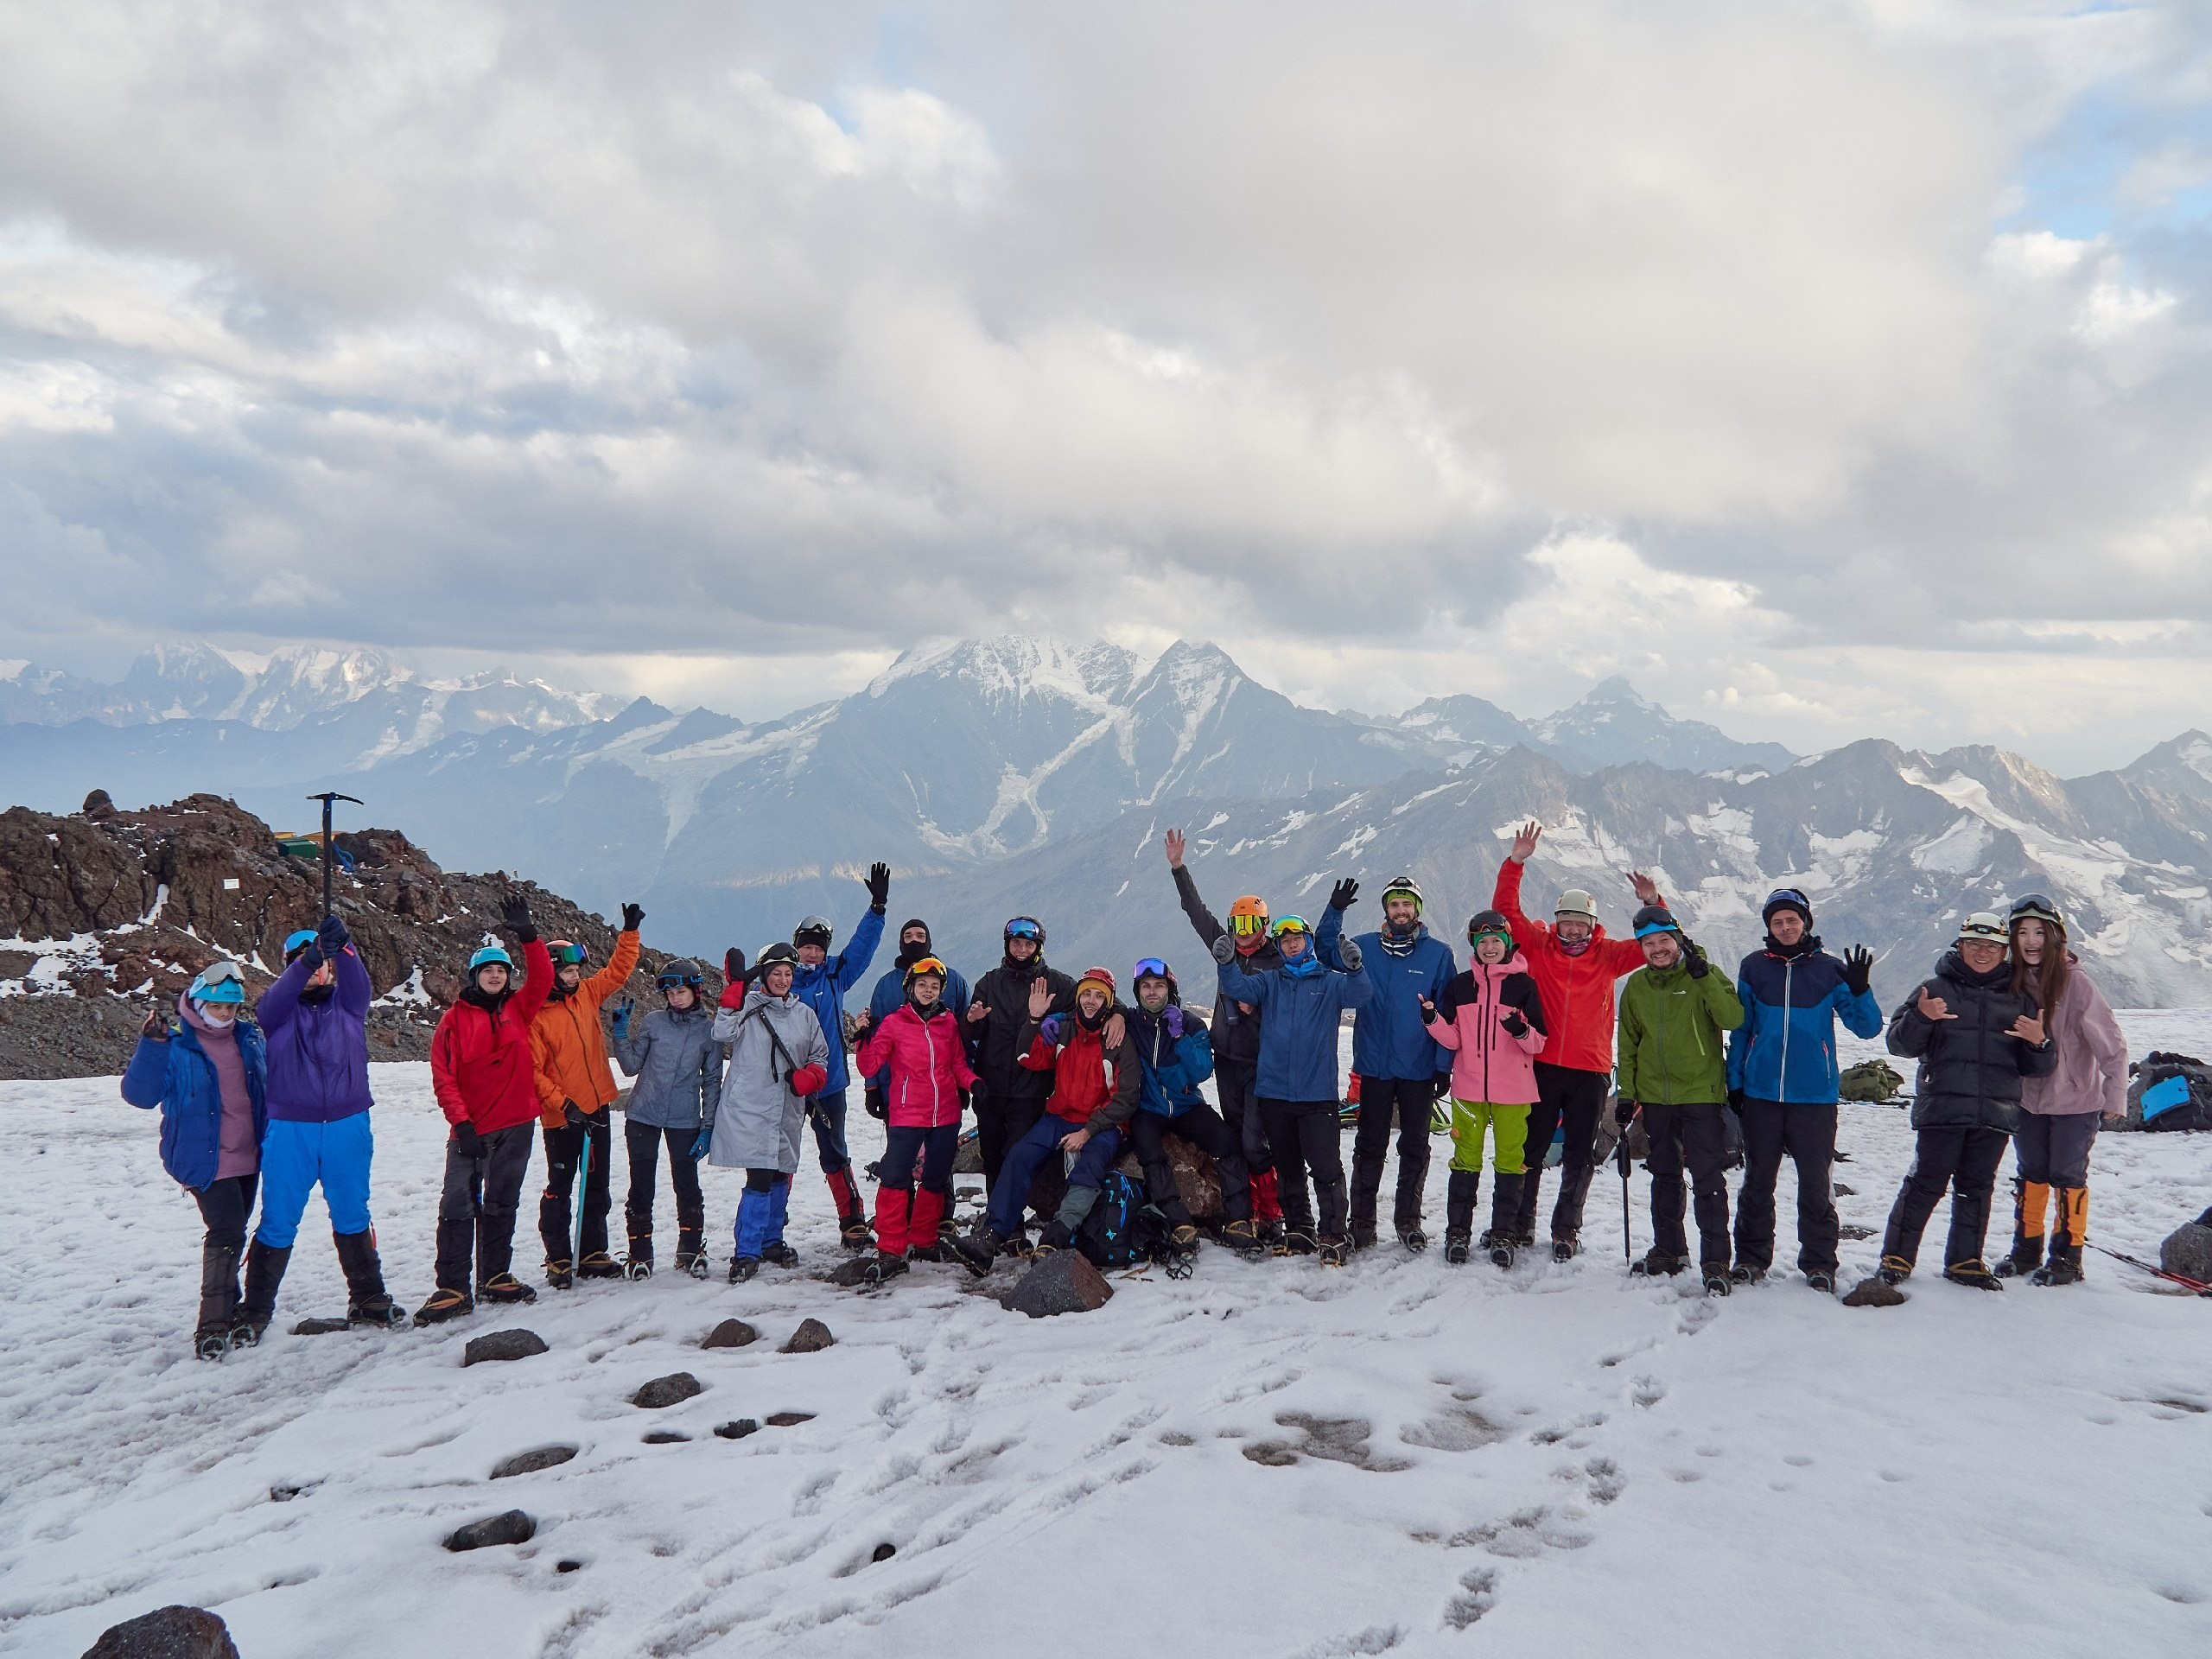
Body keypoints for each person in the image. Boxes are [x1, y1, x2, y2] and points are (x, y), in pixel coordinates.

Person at [1491, 822, 1666, 1261]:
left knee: (1579, 1153)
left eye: (1579, 924)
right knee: (1531, 1148)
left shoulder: (1609, 956)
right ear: (1556, 923)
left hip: (1589, 1069)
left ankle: (1566, 1229)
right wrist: (1516, 862)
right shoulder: (1539, 947)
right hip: (1545, 1064)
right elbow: (1506, 912)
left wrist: (1652, 902)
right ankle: (1519, 1224)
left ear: (1592, 924)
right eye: (1565, 923)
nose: (1571, 931)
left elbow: (1656, 940)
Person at [1876, 912, 2054, 1292]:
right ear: (1960, 945)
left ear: (2004, 951)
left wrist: (2040, 1042)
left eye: (1991, 946)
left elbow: (2036, 1067)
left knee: (1977, 1187)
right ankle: (1897, 1258)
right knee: (1925, 1183)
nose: (1982, 952)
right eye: (1974, 944)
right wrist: (1922, 1018)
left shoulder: (2020, 998)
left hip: (1996, 1110)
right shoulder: (1933, 989)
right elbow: (1899, 1044)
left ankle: (1965, 1261)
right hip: (1943, 1108)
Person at [242, 915, 403, 1337]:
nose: (315, 967)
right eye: (302, 961)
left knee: (352, 1213)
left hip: (347, 1125)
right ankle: (256, 1310)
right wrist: (310, 955)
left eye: (320, 961)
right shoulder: (276, 1013)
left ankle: (368, 1298)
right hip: (291, 1128)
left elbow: (360, 985)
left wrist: (344, 947)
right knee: (278, 1218)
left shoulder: (349, 1006)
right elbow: (271, 1002)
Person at [1725, 888, 1882, 1294]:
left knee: (1815, 1184)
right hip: (1761, 1095)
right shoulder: (1753, 968)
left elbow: (1867, 1028)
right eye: (1777, 922)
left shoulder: (1830, 971)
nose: (1785, 927)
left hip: (1814, 1097)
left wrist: (1861, 990)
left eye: (1792, 920)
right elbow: (1742, 1031)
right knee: (1758, 1182)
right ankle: (1750, 1259)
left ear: (1806, 923)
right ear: (1768, 928)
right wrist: (1736, 1084)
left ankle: (1819, 1263)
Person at [121, 960, 269, 1359]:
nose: (225, 1015)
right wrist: (151, 1048)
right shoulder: (177, 1046)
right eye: (218, 1006)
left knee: (235, 1230)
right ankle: (212, 1324)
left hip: (248, 1155)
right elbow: (139, 1096)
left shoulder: (249, 1038)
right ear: (198, 1002)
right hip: (203, 1158)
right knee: (226, 1232)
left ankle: (232, 1311)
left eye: (231, 1008)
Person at [418, 895, 553, 1325]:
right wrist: (462, 1122)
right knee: (457, 1204)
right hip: (471, 1130)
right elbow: (445, 1077)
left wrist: (530, 937)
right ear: (475, 976)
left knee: (502, 1201)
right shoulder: (453, 1021)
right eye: (488, 971)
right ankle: (452, 1286)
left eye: (501, 971)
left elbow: (543, 979)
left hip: (517, 1124)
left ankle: (495, 1275)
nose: (495, 976)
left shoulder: (519, 1007)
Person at [1214, 912, 1374, 1264]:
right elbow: (1238, 987)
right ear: (1280, 947)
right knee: (1287, 1167)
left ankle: (1333, 1232)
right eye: (1285, 941)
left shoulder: (1330, 982)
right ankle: (1300, 1227)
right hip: (1274, 1094)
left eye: (1297, 939)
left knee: (1326, 1167)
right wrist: (1227, 963)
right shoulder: (1271, 982)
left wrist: (1356, 967)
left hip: (1317, 1096)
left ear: (1308, 943)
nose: (1291, 944)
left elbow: (1362, 994)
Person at [1318, 874, 1456, 1251]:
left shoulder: (1439, 955)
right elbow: (1324, 950)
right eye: (1394, 904)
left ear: (1417, 910)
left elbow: (1448, 1012)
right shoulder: (1363, 948)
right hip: (1375, 1066)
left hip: (1419, 1067)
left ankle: (1408, 1221)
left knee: (1414, 1146)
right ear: (1386, 910)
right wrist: (1336, 910)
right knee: (1369, 1144)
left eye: (1407, 904)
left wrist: (1443, 1066)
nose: (1400, 910)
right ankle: (1362, 1222)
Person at [1615, 907, 1745, 1294]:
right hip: (1656, 1098)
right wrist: (1627, 1095)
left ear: (1679, 941)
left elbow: (1733, 1017)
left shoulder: (1702, 975)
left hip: (1701, 1095)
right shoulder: (1637, 986)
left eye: (1664, 941)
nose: (1657, 949)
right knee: (1664, 1173)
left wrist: (1705, 978)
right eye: (1649, 943)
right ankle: (1670, 1250)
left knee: (1707, 1177)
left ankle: (1716, 1260)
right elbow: (1629, 1044)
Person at [1997, 894, 2126, 1287]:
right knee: (2031, 1172)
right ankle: (2026, 1251)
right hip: (2028, 1100)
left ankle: (2068, 1257)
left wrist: (2115, 1095)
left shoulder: (2077, 984)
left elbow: (2112, 1044)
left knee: (2067, 1174)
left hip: (2075, 1101)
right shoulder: (2010, 982)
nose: (2031, 940)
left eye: (2039, 932)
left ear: (2055, 938)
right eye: (2023, 933)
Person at [969, 968, 1141, 1261]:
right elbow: (1027, 1058)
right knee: (1020, 1155)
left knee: (1090, 1166)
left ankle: (1057, 1234)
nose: (1090, 1000)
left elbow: (1126, 1097)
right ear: (1077, 997)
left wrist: (1088, 1131)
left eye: (1099, 996)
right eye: (1086, 993)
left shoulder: (1117, 1039)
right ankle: (993, 1234)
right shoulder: (1063, 1030)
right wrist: (1034, 1019)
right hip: (1058, 1118)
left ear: (1109, 1002)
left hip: (1103, 1125)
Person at [1166, 830, 1286, 1240]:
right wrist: (1179, 868)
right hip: (1227, 1061)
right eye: (1238, 922)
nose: (1243, 930)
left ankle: (1270, 1210)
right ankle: (1245, 1209)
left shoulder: (1277, 959)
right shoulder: (1225, 948)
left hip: (1261, 1063)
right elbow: (1195, 911)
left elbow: (1295, 1003)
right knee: (1235, 1136)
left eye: (1252, 923)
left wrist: (1261, 1007)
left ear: (1265, 925)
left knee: (1255, 1141)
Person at [1423, 911, 1548, 1268]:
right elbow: (1454, 1038)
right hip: (1468, 1088)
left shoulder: (1524, 986)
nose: (1490, 947)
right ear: (1474, 947)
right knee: (1466, 1160)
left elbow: (1538, 1043)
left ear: (1508, 944)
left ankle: (1503, 1232)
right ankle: (1458, 1232)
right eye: (1483, 942)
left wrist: (1519, 1029)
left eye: (1496, 941)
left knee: (1511, 1162)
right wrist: (1433, 1020)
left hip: (1515, 1091)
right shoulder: (1461, 986)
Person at [530, 907, 643, 1287]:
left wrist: (629, 932)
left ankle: (593, 1251)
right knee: (559, 1189)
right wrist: (564, 1105)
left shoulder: (586, 995)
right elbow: (534, 1072)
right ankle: (558, 1258)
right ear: (550, 974)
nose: (575, 977)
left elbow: (617, 971)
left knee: (597, 1185)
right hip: (562, 1118)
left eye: (577, 971)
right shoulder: (537, 1017)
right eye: (567, 972)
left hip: (596, 1110)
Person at [1123, 957, 1261, 1267]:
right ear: (1138, 992)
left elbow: (1201, 1070)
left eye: (1158, 986)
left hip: (1186, 1106)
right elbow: (1089, 1009)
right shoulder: (1130, 1021)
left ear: (1169, 990)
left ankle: (1238, 1219)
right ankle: (1178, 1222)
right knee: (1149, 1152)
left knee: (1228, 1143)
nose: (1152, 993)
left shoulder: (1190, 1024)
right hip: (1149, 1108)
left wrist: (1179, 1038)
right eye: (1145, 987)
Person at [709, 943, 830, 1283]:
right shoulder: (748, 1006)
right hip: (752, 1109)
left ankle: (771, 1242)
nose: (782, 979)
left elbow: (820, 1053)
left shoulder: (804, 1013)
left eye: (788, 974)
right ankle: (747, 1252)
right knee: (759, 1178)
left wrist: (813, 1076)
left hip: (787, 1109)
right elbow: (722, 1033)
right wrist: (733, 992)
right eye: (776, 973)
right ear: (764, 975)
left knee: (779, 1176)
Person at [854, 955, 978, 1286]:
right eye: (922, 985)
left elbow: (958, 1065)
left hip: (946, 1114)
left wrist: (974, 1083)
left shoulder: (949, 1022)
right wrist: (862, 1037)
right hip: (907, 1114)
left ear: (941, 991)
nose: (928, 990)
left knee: (935, 1179)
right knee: (895, 1178)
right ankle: (891, 1249)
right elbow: (868, 1067)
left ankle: (923, 1240)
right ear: (909, 987)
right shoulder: (894, 1023)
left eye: (934, 986)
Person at [788, 863, 892, 1250]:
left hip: (828, 1084)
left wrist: (877, 909)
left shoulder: (836, 975)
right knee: (781, 1155)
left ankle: (852, 1221)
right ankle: (769, 1227)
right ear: (796, 947)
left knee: (834, 1151)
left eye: (817, 948)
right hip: (787, 1085)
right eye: (806, 947)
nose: (811, 954)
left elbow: (861, 948)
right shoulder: (781, 979)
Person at [610, 957, 724, 1280]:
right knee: (641, 1184)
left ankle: (690, 1248)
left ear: (695, 990)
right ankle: (639, 1253)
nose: (675, 998)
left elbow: (713, 1081)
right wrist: (620, 1034)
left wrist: (708, 1126)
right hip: (643, 1114)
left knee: (687, 1183)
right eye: (670, 993)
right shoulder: (653, 1022)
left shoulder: (709, 1032)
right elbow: (631, 1066)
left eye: (681, 991)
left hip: (684, 1119)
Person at [965, 917, 1079, 1234]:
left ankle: (1006, 1223)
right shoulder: (989, 983)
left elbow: (1093, 1004)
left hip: (1031, 1090)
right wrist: (972, 1021)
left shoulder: (1057, 984)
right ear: (1007, 944)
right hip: (991, 1086)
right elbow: (972, 1032)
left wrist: (1117, 1019)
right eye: (1016, 943)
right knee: (991, 1156)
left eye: (1029, 944)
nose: (1021, 949)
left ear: (1038, 948)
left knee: (1016, 1155)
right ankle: (1007, 1227)